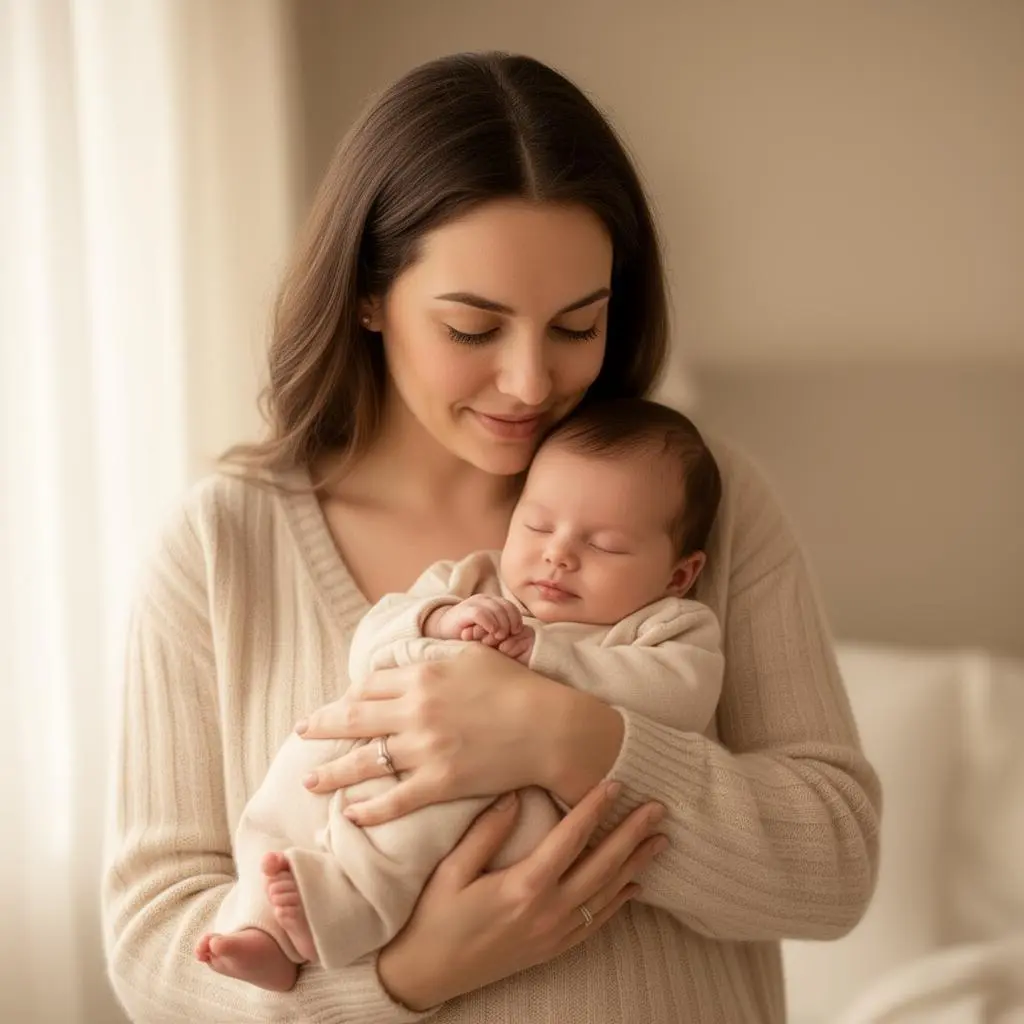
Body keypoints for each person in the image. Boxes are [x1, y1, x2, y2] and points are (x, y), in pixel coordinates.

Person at [101, 51, 881, 1023]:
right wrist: (406, 976)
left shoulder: (694, 499)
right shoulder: (223, 546)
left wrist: (567, 737)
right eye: (474, 327)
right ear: (368, 294)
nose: (528, 382)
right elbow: (150, 944)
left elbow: (833, 866)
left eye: (575, 324)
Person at [201, 398, 726, 990]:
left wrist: (546, 656)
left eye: (603, 544)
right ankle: (260, 928)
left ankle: (345, 908)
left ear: (678, 574)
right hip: (374, 744)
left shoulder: (665, 625)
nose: (558, 554)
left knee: (433, 812)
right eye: (537, 525)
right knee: (295, 776)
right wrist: (441, 621)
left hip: (503, 797)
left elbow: (680, 696)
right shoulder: (474, 579)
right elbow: (372, 641)